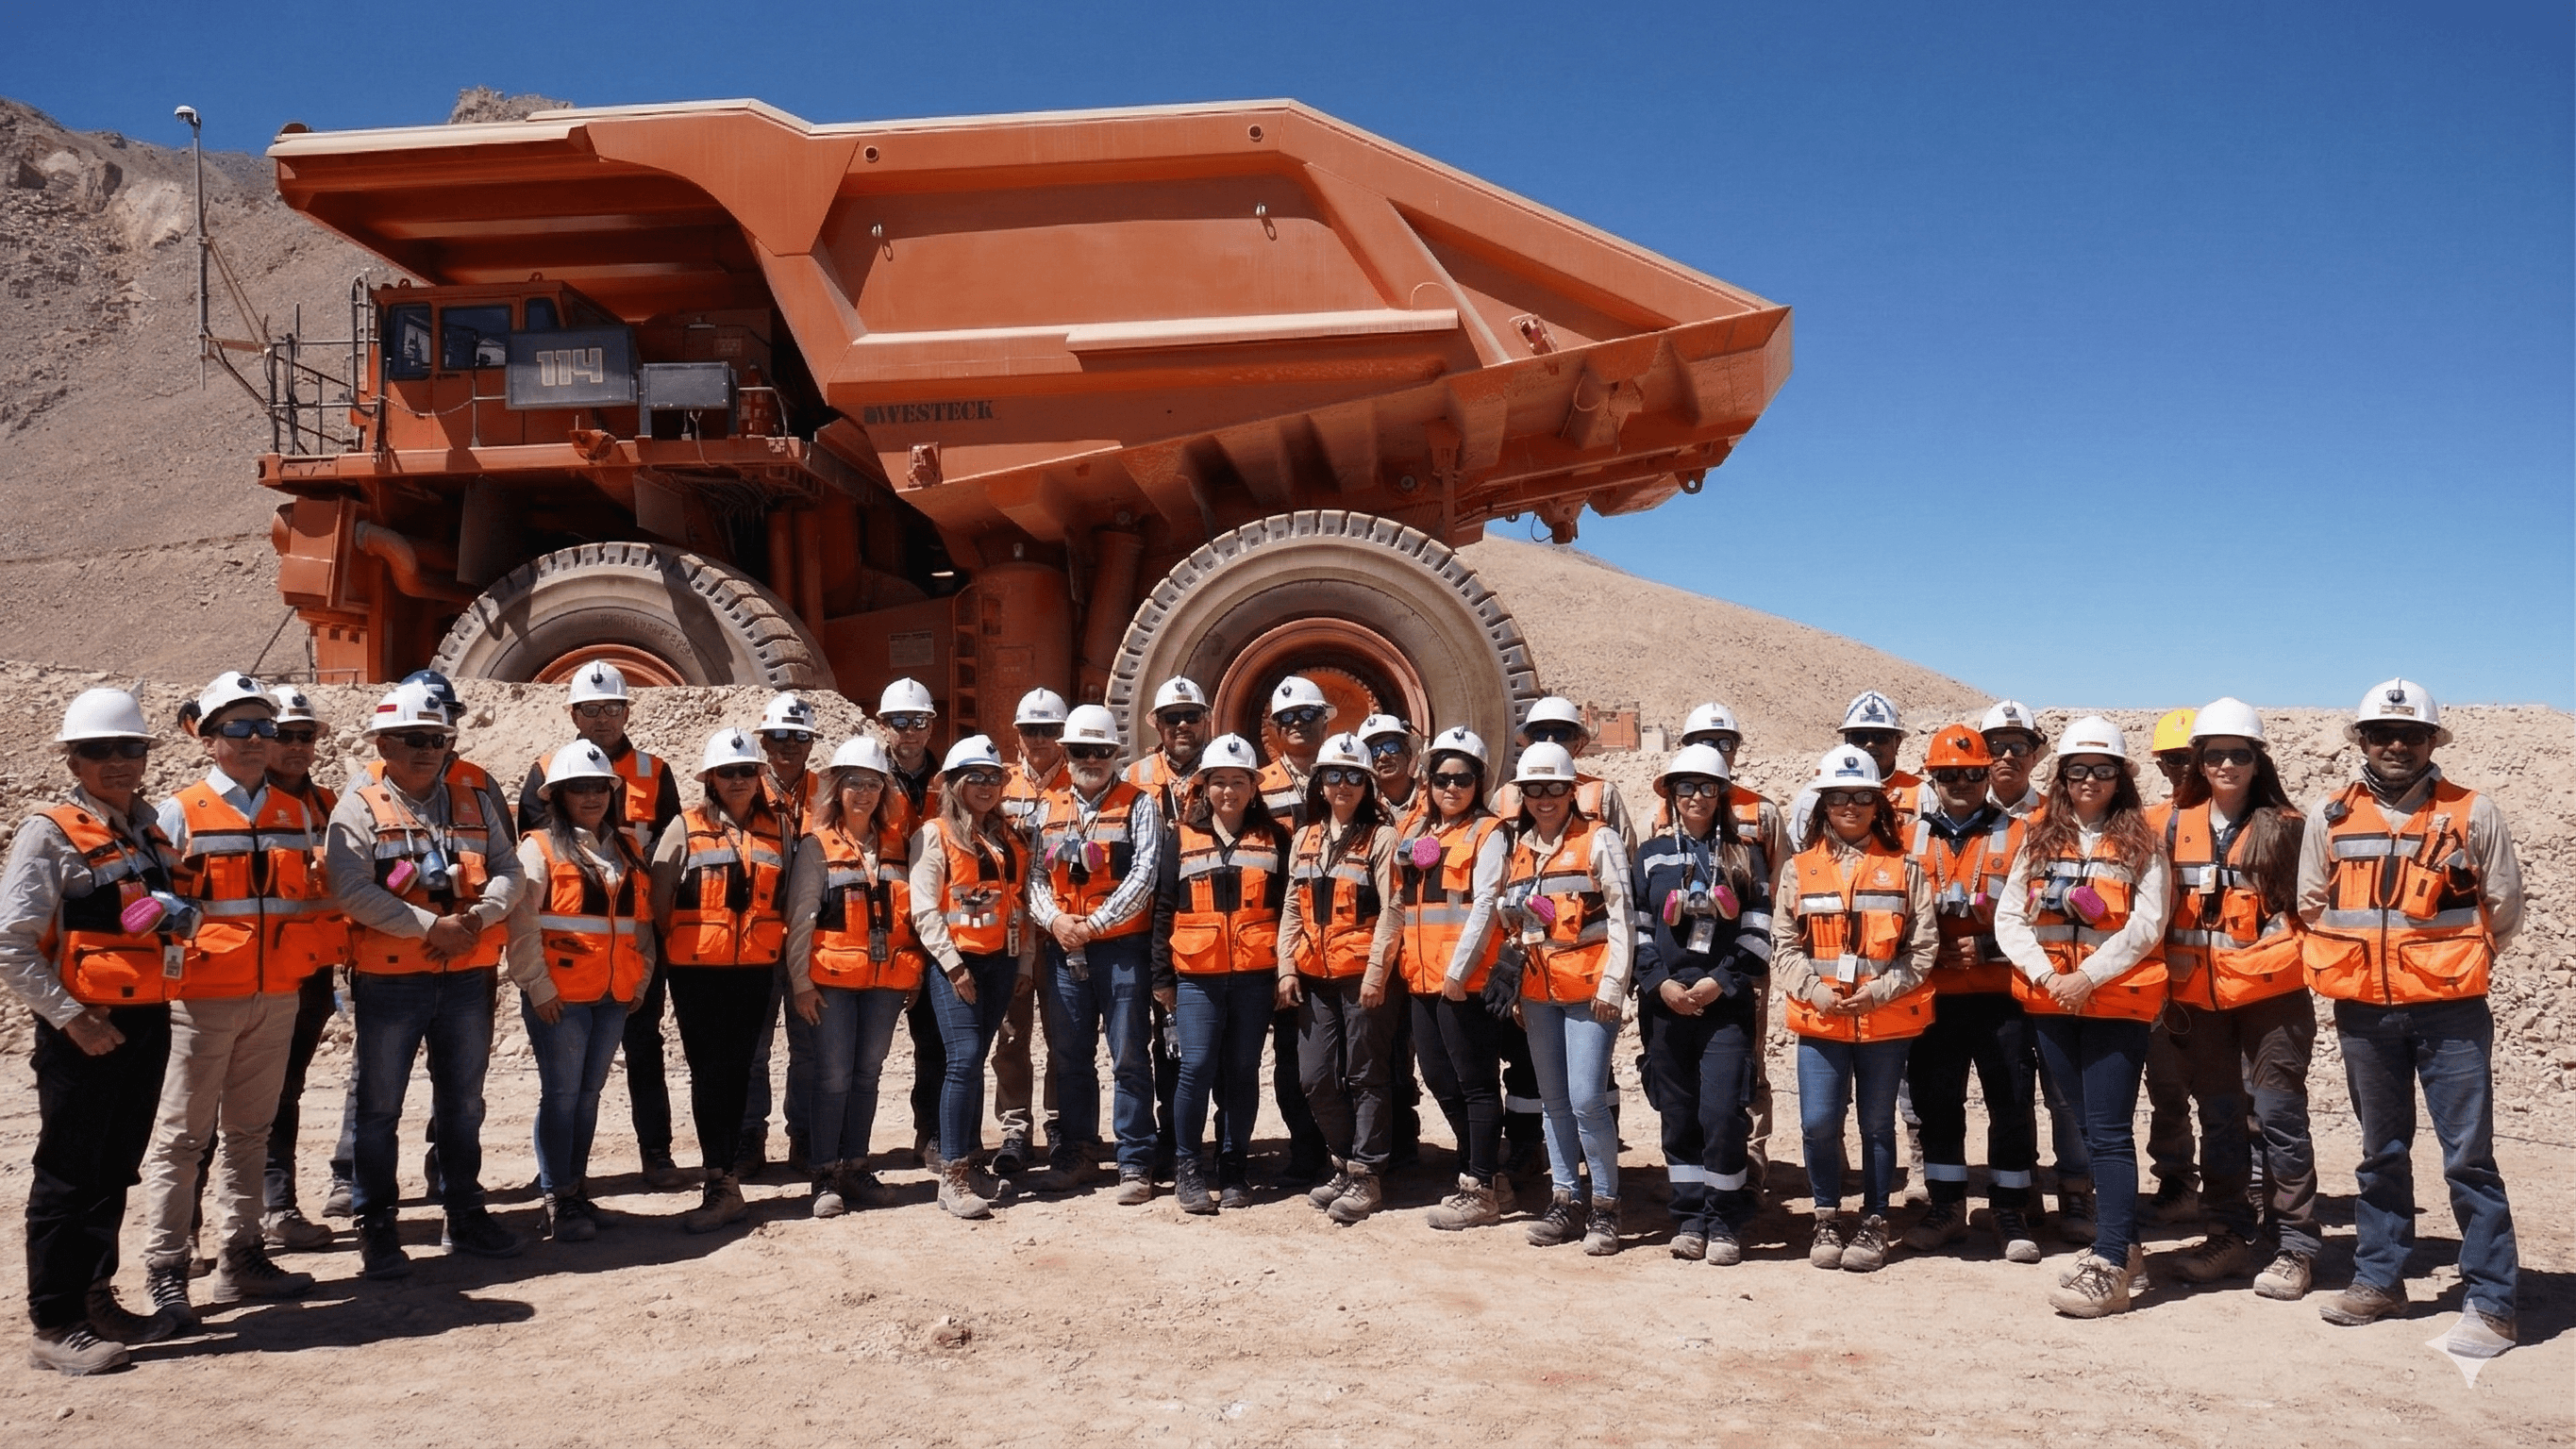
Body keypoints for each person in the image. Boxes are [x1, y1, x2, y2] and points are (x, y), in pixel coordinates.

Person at [2300, 679, 2522, 1355]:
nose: (2396, 745)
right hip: (2364, 1012)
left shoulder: (2473, 812)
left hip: (2451, 1011)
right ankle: (2380, 1279)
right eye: (2381, 734)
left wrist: (2448, 962)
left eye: (2411, 735)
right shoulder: (2330, 816)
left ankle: (2493, 1302)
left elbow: (2504, 906)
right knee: (2380, 1154)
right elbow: (2311, 902)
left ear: (2432, 742)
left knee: (2468, 1159)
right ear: (2361, 741)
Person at [2, 690, 188, 1374]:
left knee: (115, 1170)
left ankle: (95, 1298)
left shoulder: (147, 829)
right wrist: (71, 1018)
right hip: (82, 1030)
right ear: (73, 758)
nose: (117, 760)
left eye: (130, 747)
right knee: (68, 1177)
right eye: (99, 750)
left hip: (145, 1022)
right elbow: (11, 943)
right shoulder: (47, 831)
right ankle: (55, 1324)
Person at [140, 674, 326, 1327]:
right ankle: (166, 1267)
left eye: (265, 729)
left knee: (250, 1132)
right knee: (182, 1138)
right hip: (201, 1000)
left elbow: (305, 899)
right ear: (210, 739)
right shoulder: (178, 812)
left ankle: (240, 1257)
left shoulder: (294, 812)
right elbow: (150, 910)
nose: (255, 741)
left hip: (276, 996)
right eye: (240, 729)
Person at [328, 678, 527, 1278]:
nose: (424, 749)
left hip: (467, 974)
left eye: (435, 739)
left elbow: (508, 870)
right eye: (409, 739)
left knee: (463, 1103)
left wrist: (478, 916)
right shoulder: (360, 805)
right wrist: (426, 926)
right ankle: (377, 1226)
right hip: (391, 982)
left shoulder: (474, 797)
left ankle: (463, 1212)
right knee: (379, 1107)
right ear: (383, 743)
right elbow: (349, 886)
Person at [1995, 716, 2171, 1319]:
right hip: (2053, 1000)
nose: (2089, 780)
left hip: (2113, 1002)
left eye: (2102, 770)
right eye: (2077, 770)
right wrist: (2049, 977)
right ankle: (2125, 1243)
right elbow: (2008, 918)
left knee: (2111, 1130)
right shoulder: (2037, 836)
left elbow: (2148, 922)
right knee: (2084, 1125)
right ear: (2062, 777)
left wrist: (2087, 977)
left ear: (2121, 776)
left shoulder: (2145, 839)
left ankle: (2111, 1260)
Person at [2154, 698, 2317, 1300]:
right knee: (2220, 1117)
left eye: (2238, 754)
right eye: (2214, 753)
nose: (2226, 763)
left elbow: (2313, 912)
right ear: (2198, 761)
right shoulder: (2170, 824)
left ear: (2257, 761)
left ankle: (2295, 1243)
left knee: (2277, 1115)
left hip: (2272, 995)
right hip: (2200, 1000)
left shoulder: (2290, 827)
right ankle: (2227, 1234)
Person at [515, 660, 690, 1191]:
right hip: (567, 952)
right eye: (590, 708)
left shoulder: (655, 771)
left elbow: (672, 847)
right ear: (572, 712)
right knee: (565, 1083)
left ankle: (655, 1154)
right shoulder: (546, 768)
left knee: (643, 1048)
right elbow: (534, 852)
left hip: (632, 937)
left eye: (611, 707)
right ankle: (559, 1179)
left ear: (626, 710)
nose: (601, 718)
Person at [1774, 745, 1936, 1274]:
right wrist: (1815, 991)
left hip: (1884, 1022)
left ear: (1877, 803)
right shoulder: (1799, 871)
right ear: (1823, 804)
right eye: (1839, 796)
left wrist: (1884, 989)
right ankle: (1826, 1215)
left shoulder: (1906, 869)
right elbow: (1784, 945)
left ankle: (1874, 1218)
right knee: (1820, 1122)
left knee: (1875, 1124)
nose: (1850, 805)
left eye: (1862, 796)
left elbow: (1923, 948)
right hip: (1821, 1018)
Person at [1899, 724, 2041, 1264]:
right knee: (1938, 1104)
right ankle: (1946, 1206)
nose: (1960, 783)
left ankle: (2009, 1208)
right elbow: (1893, 916)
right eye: (1948, 774)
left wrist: (1988, 951)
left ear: (1988, 776)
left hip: (2001, 992)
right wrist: (1930, 953)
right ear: (1931, 779)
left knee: (2010, 1102)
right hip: (1934, 992)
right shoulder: (1907, 838)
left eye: (1972, 774)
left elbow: (2035, 917)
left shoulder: (2022, 834)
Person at [506, 741, 655, 1242]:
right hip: (561, 998)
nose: (591, 796)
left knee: (587, 1096)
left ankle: (575, 1191)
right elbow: (522, 926)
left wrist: (641, 977)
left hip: (613, 994)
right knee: (563, 1096)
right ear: (559, 796)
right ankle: (556, 1198)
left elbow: (640, 924)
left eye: (599, 787)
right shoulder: (539, 848)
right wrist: (538, 986)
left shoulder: (627, 848)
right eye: (579, 788)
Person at [649, 727, 792, 1234]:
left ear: (759, 778)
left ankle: (727, 1180)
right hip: (697, 976)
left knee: (739, 1073)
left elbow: (786, 897)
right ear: (710, 777)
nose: (738, 780)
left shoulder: (780, 830)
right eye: (728, 772)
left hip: (755, 972)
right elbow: (659, 903)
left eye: (748, 771)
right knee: (709, 1076)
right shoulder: (683, 827)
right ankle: (719, 1180)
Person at [1633, 743, 1771, 1264]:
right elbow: (1640, 929)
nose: (1695, 796)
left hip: (1723, 1009)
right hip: (1666, 1006)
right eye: (1684, 787)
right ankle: (1690, 1216)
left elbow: (1759, 934)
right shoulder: (1649, 856)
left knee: (1722, 1114)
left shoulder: (1744, 854)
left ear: (1722, 795)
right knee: (1678, 1113)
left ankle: (1724, 1219)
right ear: (1670, 795)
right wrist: (1659, 983)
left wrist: (1721, 981)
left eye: (1707, 787)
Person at [1027, 706, 1165, 1203]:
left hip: (1120, 948)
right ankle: (1079, 1153)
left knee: (1129, 1055)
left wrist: (1093, 926)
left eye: (1101, 751)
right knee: (1069, 1058)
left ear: (1114, 754)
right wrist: (1057, 922)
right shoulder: (1048, 807)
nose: (1091, 759)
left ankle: (1134, 1161)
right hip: (1065, 947)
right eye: (1081, 750)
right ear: (1066, 754)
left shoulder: (1140, 805)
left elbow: (1144, 874)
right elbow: (1035, 880)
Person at [1503, 741, 1634, 1256]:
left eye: (1554, 787)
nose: (1544, 798)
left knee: (1585, 1100)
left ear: (1571, 790)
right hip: (1538, 991)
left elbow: (1624, 918)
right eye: (1533, 789)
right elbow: (1521, 927)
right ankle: (1565, 1198)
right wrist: (1514, 985)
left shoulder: (1598, 841)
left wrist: (1613, 985)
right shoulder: (1521, 847)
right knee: (1553, 1103)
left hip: (1588, 991)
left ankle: (1606, 1206)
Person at [784, 735, 920, 1217]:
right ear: (837, 789)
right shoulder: (816, 845)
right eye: (854, 784)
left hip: (886, 983)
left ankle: (856, 1165)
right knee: (834, 1076)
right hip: (833, 983)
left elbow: (911, 915)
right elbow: (800, 919)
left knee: (867, 1075)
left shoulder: (896, 844)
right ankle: (824, 1175)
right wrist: (800, 982)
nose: (863, 793)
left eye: (873, 785)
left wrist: (915, 973)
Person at [1151, 734, 1286, 1214]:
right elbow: (1163, 909)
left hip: (1254, 977)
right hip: (1197, 978)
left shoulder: (1275, 839)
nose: (1228, 791)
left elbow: (1288, 909)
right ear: (1203, 787)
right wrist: (1161, 978)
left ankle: (1234, 1169)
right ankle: (1189, 1167)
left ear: (1254, 787)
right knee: (1196, 1067)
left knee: (1242, 1072)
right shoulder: (1180, 839)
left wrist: (1283, 974)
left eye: (1238, 782)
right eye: (1219, 782)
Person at [1278, 732, 1404, 1224]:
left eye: (1355, 776)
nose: (1344, 785)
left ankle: (1367, 1174)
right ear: (1321, 783)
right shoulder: (1306, 837)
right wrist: (1286, 967)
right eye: (1335, 775)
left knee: (1366, 1075)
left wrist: (1377, 973)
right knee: (1314, 1077)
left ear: (1368, 785)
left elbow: (1393, 908)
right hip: (1313, 975)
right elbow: (1292, 905)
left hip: (1363, 977)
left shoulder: (1382, 838)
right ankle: (1343, 1159)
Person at [909, 735, 1037, 1219]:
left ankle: (971, 1159)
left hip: (1000, 963)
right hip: (956, 964)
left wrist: (1023, 963)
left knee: (977, 1059)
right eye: (975, 778)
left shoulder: (1008, 836)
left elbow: (1018, 904)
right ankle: (953, 1175)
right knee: (961, 1060)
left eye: (994, 778)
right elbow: (924, 909)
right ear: (954, 784)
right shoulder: (934, 833)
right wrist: (954, 965)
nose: (986, 786)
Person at [1397, 726, 1515, 1231]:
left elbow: (1486, 903)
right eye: (1442, 777)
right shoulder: (1416, 832)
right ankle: (1484, 1172)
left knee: (1476, 1082)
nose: (1451, 787)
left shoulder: (1488, 833)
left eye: (1462, 778)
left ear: (1478, 782)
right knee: (1441, 1079)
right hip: (1419, 977)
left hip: (1460, 980)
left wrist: (1457, 971)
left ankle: (1480, 1186)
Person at [1668, 701, 1788, 1197]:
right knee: (1683, 1064)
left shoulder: (1761, 811)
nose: (1717, 752)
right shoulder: (1668, 807)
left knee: (1747, 1061)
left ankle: (1751, 1157)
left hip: (1740, 960)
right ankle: (1698, 1162)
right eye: (1704, 743)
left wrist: (1758, 954)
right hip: (1680, 963)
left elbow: (1781, 885)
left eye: (1725, 744)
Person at [1982, 698, 2091, 1239]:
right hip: (1984, 983)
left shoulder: (2060, 815)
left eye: (2018, 746)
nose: (2006, 755)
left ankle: (2075, 1193)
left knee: (2065, 1092)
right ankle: (2018, 1192)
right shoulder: (1960, 815)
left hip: (2051, 976)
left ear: (2036, 753)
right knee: (2009, 1092)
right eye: (1994, 745)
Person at [257, 683, 348, 1249]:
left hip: (310, 976)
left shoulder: (327, 806)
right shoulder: (233, 804)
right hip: (241, 977)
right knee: (213, 1108)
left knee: (284, 1092)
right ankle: (191, 1230)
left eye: (304, 735)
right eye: (282, 735)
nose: (294, 746)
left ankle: (278, 1206)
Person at [1125, 677, 1210, 1181]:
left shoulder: (1225, 768)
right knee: (1160, 1038)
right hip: (1145, 928)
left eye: (1191, 716)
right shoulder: (1134, 776)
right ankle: (1167, 1139)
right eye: (1171, 717)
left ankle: (1208, 1142)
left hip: (1205, 924)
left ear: (1206, 721)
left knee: (1205, 1041)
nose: (1182, 725)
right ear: (1154, 723)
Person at [742, 691, 825, 1180]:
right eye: (778, 737)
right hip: (756, 942)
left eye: (798, 737)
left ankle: (804, 1137)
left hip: (811, 943)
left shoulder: (829, 793)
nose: (788, 746)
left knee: (809, 1047)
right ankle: (750, 1136)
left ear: (811, 743)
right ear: (764, 742)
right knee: (754, 1047)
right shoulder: (742, 788)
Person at [1256, 675, 1333, 1181]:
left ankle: (1372, 1149)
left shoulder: (1346, 775)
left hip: (1343, 932)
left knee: (1351, 1052)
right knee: (1291, 1050)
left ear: (1326, 721)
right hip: (1280, 934)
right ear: (1274, 729)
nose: (1299, 726)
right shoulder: (1256, 786)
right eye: (1288, 719)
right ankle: (1306, 1150)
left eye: (1308, 716)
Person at [991, 687, 1069, 1178]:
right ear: (1016, 734)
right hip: (1012, 931)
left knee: (1065, 1033)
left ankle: (1061, 1125)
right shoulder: (997, 786)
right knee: (1012, 1035)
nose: (1039, 738)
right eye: (1030, 730)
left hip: (1061, 931)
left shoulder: (1080, 783)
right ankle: (1015, 1127)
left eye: (1048, 730)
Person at [877, 677, 949, 1169]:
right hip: (878, 921)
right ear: (884, 725)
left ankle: (932, 1135)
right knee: (862, 1046)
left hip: (936, 920)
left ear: (931, 725)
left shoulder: (951, 779)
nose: (909, 732)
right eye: (899, 722)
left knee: (935, 1040)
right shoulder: (865, 776)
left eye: (918, 722)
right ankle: (827, 1146)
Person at [2139, 706, 2205, 1226]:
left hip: (2231, 983)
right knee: (2167, 1090)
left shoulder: (2253, 821)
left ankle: (2248, 1187)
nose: (2181, 771)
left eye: (2190, 759)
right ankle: (2178, 1181)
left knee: (2238, 1097)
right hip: (2164, 982)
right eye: (2170, 762)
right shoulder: (2148, 824)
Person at [1355, 713, 1425, 1169]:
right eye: (1375, 748)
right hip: (1380, 946)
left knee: (1430, 1047)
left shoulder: (1435, 797)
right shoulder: (1365, 806)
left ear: (1409, 749)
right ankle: (1397, 1142)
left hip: (1424, 941)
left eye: (1392, 745)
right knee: (1386, 1047)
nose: (1385, 755)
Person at [1495, 697, 1635, 847]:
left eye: (1561, 734)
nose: (1550, 740)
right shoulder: (1504, 797)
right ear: (1527, 743)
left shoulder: (1603, 795)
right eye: (1540, 734)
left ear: (1577, 745)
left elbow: (1626, 857)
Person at [1790, 691, 1923, 849]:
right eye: (1860, 737)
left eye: (1881, 737)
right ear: (1847, 740)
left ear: (1898, 742)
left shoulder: (1921, 794)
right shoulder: (1812, 794)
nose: (1870, 745)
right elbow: (1799, 852)